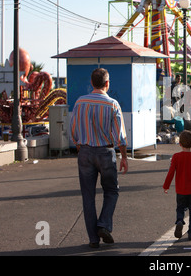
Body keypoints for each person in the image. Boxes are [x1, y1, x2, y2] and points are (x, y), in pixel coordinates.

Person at [70, 68, 128, 249]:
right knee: (111, 191)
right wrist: (124, 156)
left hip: (85, 152)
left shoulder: (80, 102)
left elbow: (72, 129)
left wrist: (79, 144)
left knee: (88, 196)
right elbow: (120, 136)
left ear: (92, 82)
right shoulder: (112, 104)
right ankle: (103, 224)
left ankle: (93, 239)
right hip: (105, 152)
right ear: (107, 83)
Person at [163, 130, 191, 240]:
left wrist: (166, 186)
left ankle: (179, 220)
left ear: (180, 143)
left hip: (180, 190)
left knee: (180, 208)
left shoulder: (176, 157)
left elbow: (171, 172)